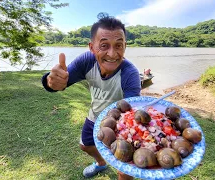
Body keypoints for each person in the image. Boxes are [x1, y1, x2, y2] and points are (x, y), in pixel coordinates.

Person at [41, 13, 141, 180]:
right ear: (92, 47)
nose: (112, 53)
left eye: (118, 45)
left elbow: (131, 114)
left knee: (124, 171)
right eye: (104, 46)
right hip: (95, 116)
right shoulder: (87, 61)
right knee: (85, 146)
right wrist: (50, 82)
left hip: (120, 124)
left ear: (125, 46)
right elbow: (61, 80)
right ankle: (101, 163)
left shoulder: (130, 74)